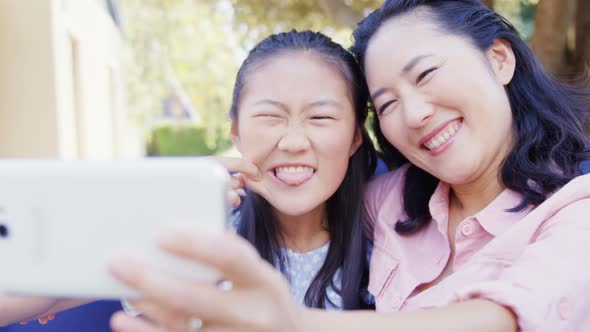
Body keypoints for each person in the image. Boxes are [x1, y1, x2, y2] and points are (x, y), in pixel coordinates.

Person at [107, 1, 590, 332]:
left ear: (499, 60)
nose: (415, 113)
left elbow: (499, 319)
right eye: (387, 103)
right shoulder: (392, 201)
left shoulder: (576, 210)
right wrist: (183, 193)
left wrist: (289, 321)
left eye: (426, 74)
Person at [0, 30, 377, 326]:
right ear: (236, 133)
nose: (294, 142)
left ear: (356, 137)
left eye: (321, 118)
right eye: (270, 117)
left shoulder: (390, 248)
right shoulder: (196, 240)